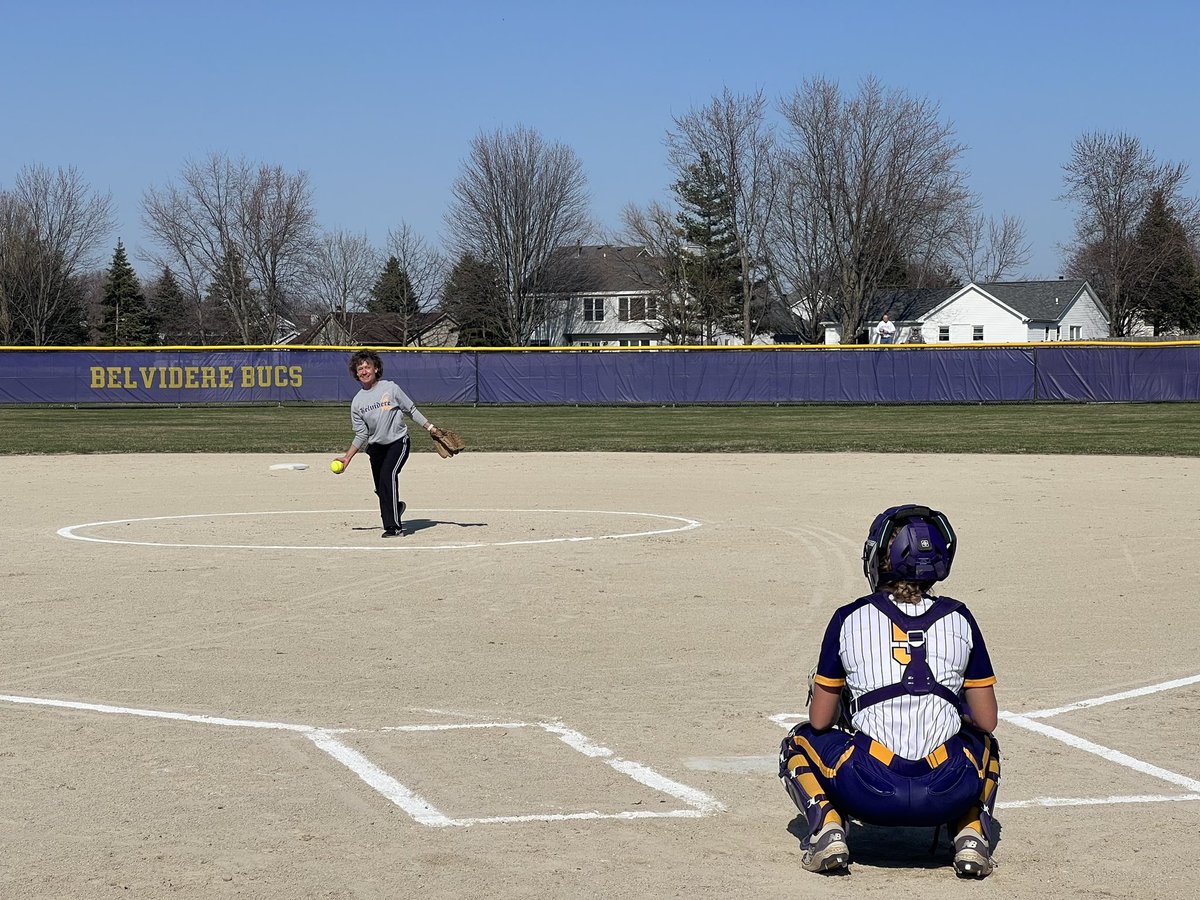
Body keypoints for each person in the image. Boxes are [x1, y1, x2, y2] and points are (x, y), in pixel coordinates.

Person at [778, 505, 1000, 877]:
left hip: (868, 788)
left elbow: (820, 720)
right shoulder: (961, 617)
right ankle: (971, 835)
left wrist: (850, 707)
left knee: (797, 742)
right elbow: (988, 720)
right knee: (986, 744)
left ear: (882, 559)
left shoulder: (848, 617)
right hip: (947, 789)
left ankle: (827, 829)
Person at [335, 350, 439, 538]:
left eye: (368, 366)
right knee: (381, 487)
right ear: (356, 373)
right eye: (360, 368)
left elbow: (411, 410)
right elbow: (361, 433)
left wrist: (430, 427)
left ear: (376, 369)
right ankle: (396, 507)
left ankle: (394, 527)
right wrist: (347, 458)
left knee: (387, 476)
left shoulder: (390, 388)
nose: (364, 371)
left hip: (398, 442)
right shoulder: (357, 402)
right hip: (376, 449)